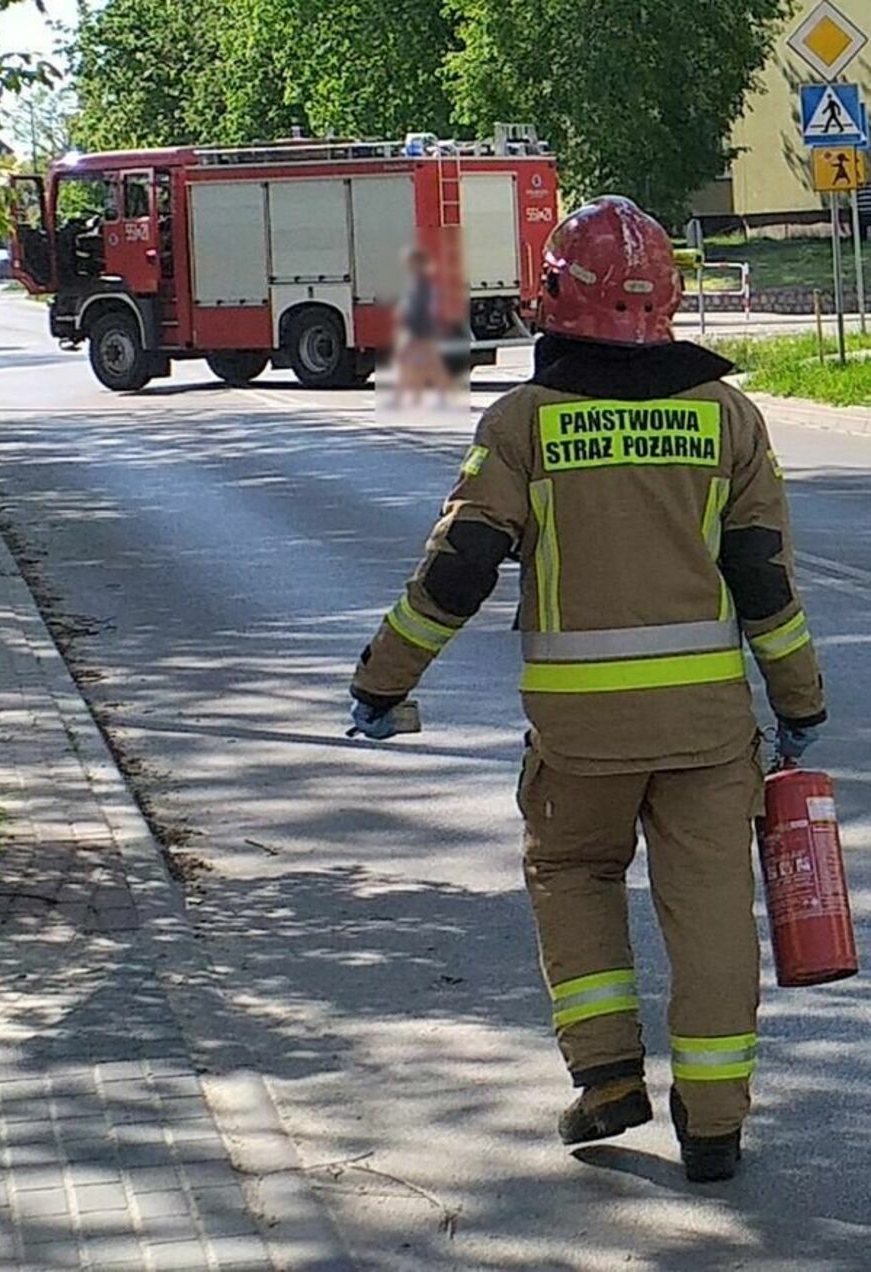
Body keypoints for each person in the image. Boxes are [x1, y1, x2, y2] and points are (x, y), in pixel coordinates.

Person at [349, 196, 826, 1183]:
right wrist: (800, 705)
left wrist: (381, 684)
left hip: (580, 739)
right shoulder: (726, 416)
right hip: (707, 731)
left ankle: (608, 1073)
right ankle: (715, 1126)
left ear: (554, 299)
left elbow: (459, 569)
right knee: (711, 912)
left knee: (573, 877)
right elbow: (766, 582)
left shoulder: (524, 422)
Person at [392, 245, 454, 407]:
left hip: (421, 328)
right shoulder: (422, 281)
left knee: (421, 364)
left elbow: (422, 307)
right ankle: (416, 397)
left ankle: (406, 398)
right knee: (422, 364)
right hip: (422, 328)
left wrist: (407, 319)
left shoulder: (423, 283)